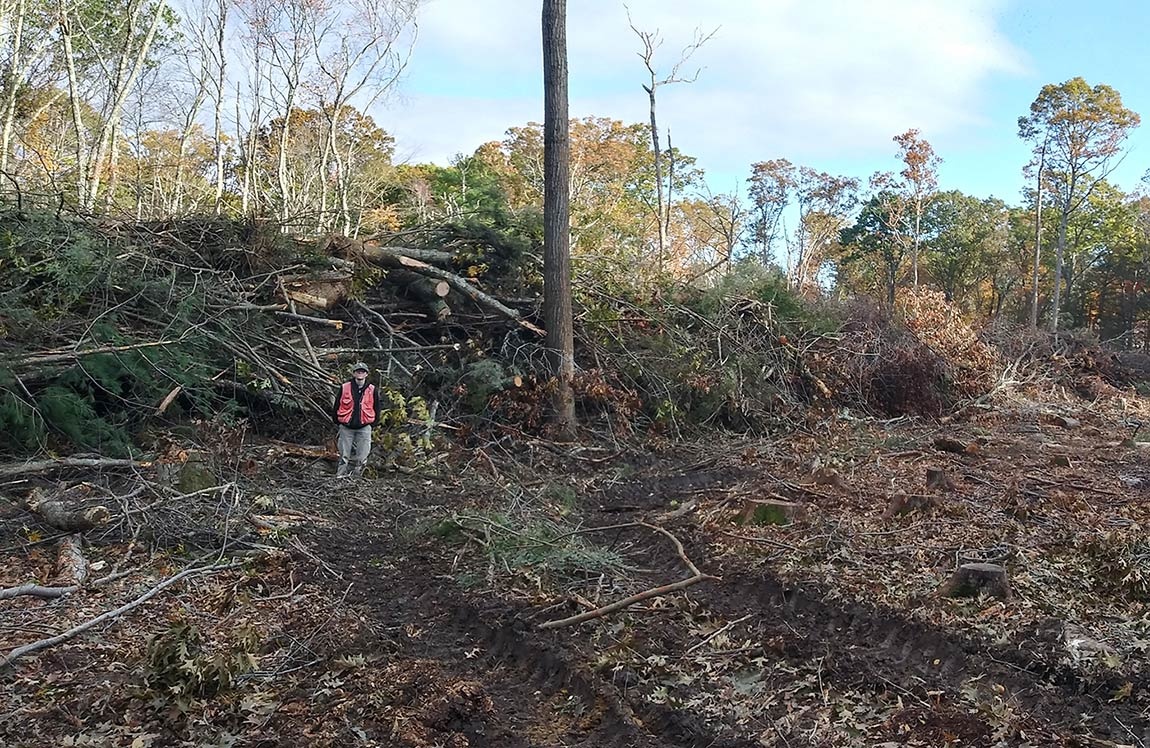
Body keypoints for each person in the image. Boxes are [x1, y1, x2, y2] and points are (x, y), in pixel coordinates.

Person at [331, 362, 383, 477]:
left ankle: (358, 479)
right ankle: (340, 477)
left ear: (366, 374)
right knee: (344, 456)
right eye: (358, 371)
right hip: (346, 427)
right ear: (354, 373)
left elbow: (377, 407)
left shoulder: (372, 389)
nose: (360, 373)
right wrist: (337, 421)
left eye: (363, 371)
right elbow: (337, 405)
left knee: (362, 457)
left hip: (364, 427)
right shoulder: (344, 387)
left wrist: (373, 424)